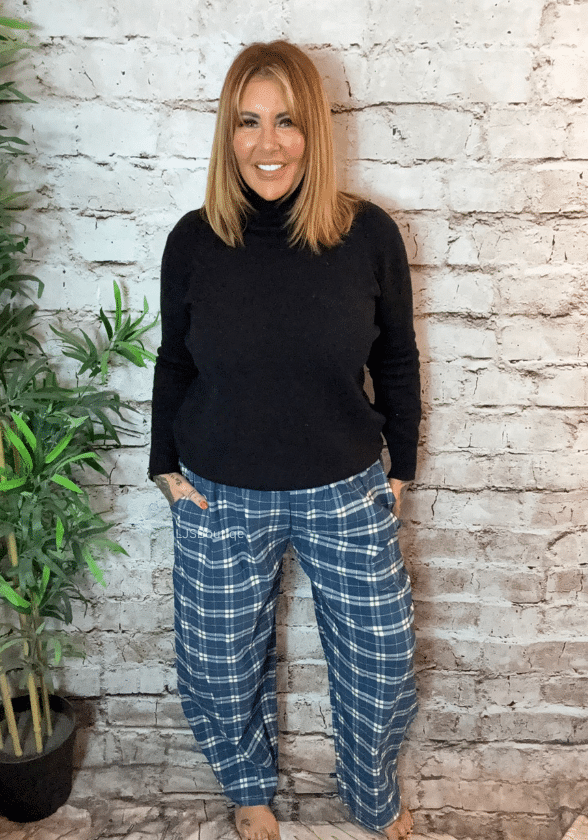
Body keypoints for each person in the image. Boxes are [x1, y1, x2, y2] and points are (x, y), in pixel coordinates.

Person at [149, 40, 420, 840]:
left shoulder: (369, 235)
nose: (268, 144)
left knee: (381, 659)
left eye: (287, 121)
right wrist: (164, 466)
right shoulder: (193, 241)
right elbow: (174, 359)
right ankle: (248, 788)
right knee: (218, 665)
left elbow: (396, 357)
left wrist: (401, 465)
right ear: (228, 134)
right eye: (248, 122)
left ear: (315, 131)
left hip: (346, 489)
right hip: (218, 493)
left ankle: (369, 791)